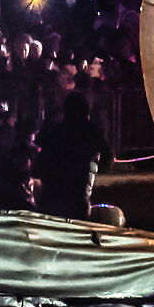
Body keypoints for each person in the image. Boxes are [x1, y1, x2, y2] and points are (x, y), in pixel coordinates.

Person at [33, 91, 110, 220]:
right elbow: (108, 159)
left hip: (53, 194)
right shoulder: (91, 131)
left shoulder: (56, 131)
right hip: (77, 194)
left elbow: (40, 163)